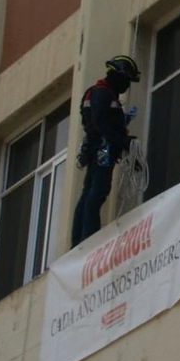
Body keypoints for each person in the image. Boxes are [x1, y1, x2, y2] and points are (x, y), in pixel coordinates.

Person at [72, 54, 140, 245]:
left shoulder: (100, 93)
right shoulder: (102, 93)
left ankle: (79, 239)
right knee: (98, 190)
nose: (127, 86)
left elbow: (103, 122)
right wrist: (122, 141)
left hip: (99, 146)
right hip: (103, 148)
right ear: (118, 75)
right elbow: (100, 123)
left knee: (90, 191)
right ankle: (87, 238)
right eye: (127, 80)